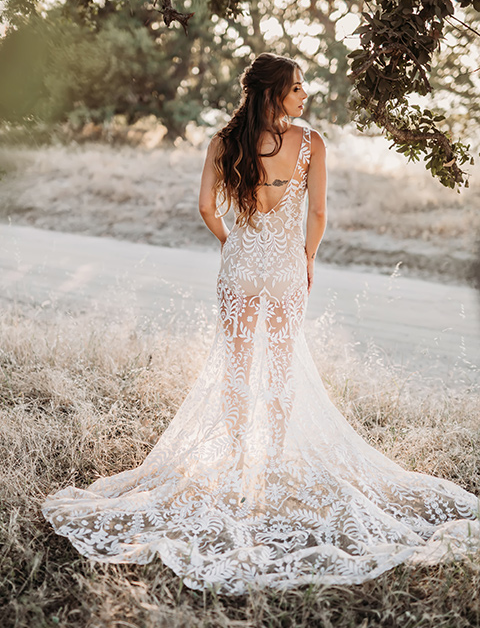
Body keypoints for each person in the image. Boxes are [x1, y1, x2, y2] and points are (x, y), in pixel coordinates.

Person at [42, 53, 478, 594]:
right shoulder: (312, 143)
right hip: (287, 270)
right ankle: (267, 467)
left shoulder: (223, 143)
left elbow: (206, 206)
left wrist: (232, 244)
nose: (304, 96)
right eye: (296, 88)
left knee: (236, 366)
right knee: (279, 368)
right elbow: (317, 215)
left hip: (241, 267)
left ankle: (232, 463)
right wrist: (308, 257)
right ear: (272, 93)